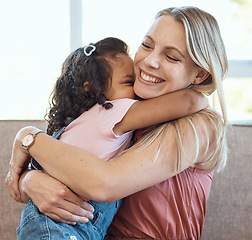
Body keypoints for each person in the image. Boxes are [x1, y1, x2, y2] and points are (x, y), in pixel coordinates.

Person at [6, 6, 228, 240]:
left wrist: (27, 137)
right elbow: (65, 158)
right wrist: (31, 181)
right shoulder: (118, 104)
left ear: (199, 75)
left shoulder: (200, 125)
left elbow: (104, 183)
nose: (150, 61)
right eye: (147, 45)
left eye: (171, 56)